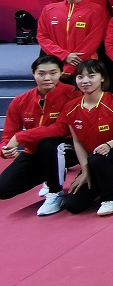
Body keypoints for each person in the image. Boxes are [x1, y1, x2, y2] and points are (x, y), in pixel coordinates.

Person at [0, 56, 78, 216]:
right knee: (3, 189)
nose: (47, 78)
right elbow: (8, 135)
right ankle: (50, 173)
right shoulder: (20, 101)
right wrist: (5, 150)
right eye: (41, 73)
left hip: (70, 149)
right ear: (33, 74)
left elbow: (61, 128)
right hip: (34, 152)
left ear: (62, 73)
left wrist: (21, 137)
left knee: (48, 144)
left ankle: (55, 192)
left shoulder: (73, 95)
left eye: (53, 73)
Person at [61, 60, 113, 216]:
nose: (85, 81)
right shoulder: (70, 107)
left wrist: (109, 145)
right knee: (73, 205)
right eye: (80, 77)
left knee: (97, 158)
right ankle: (104, 182)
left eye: (91, 76)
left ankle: (112, 197)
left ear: (102, 78)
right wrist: (85, 170)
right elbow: (77, 141)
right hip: (92, 161)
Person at [37, 0, 108, 79]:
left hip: (84, 68)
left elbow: (93, 40)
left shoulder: (96, 10)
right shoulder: (49, 9)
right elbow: (42, 37)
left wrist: (69, 67)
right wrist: (64, 57)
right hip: (55, 67)